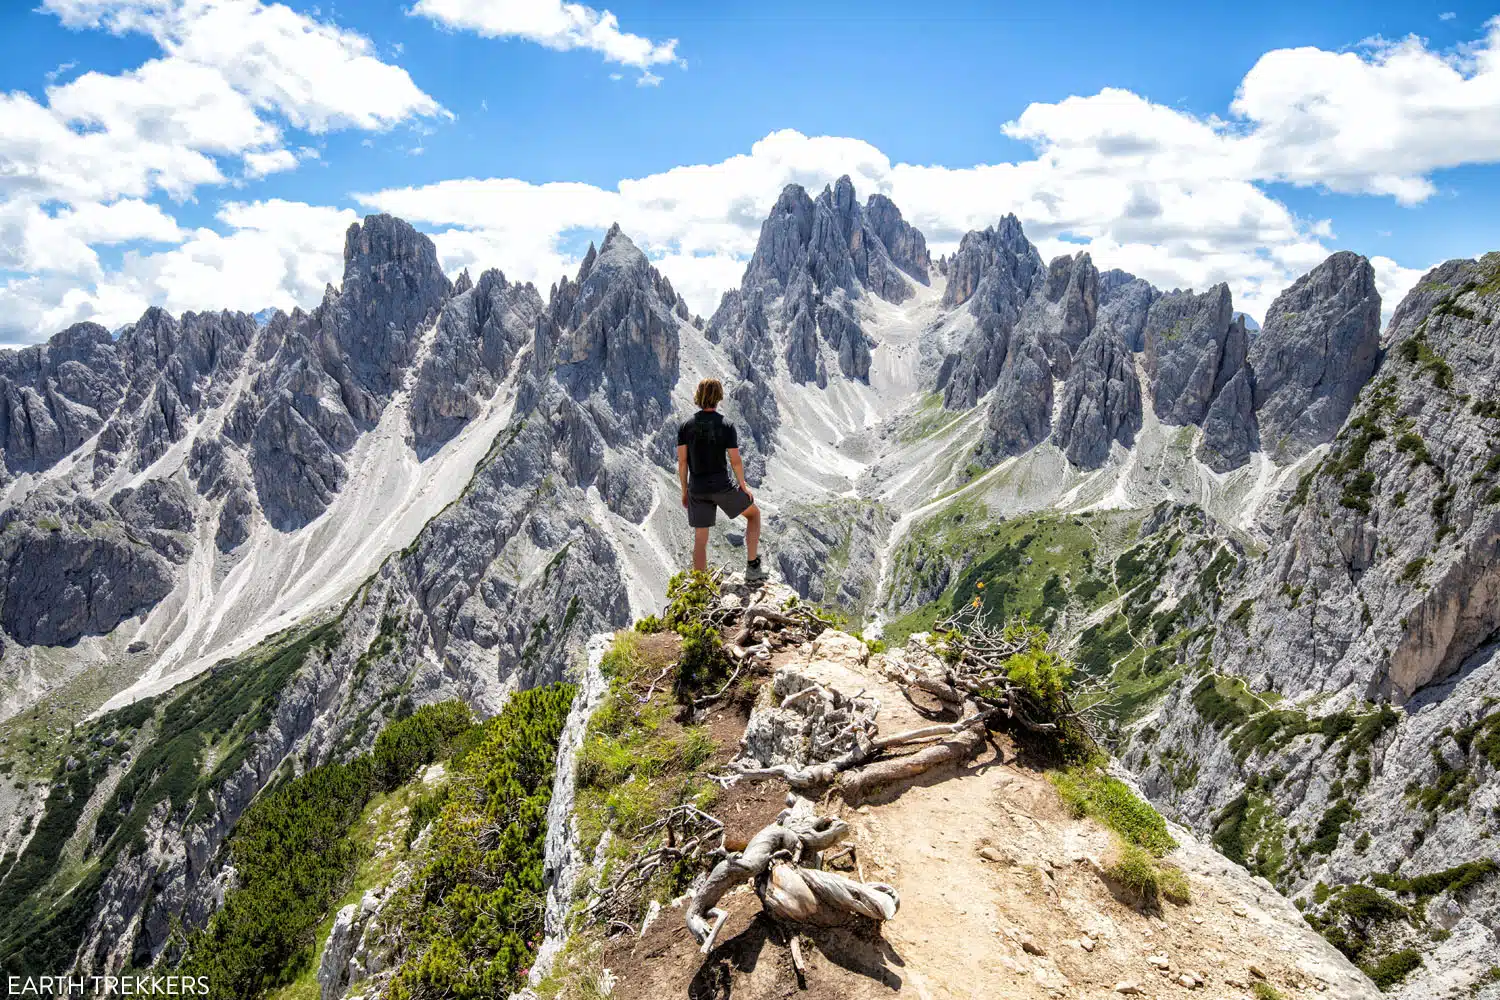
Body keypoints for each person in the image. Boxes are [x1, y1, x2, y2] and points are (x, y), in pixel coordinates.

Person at [677, 378, 766, 584]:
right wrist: (743, 487)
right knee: (754, 515)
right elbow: (735, 460)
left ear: (698, 397)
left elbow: (682, 462)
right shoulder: (726, 425)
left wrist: (684, 492)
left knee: (700, 539)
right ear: (718, 397)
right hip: (721, 486)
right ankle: (753, 568)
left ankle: (700, 587)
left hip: (697, 488)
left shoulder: (685, 426)